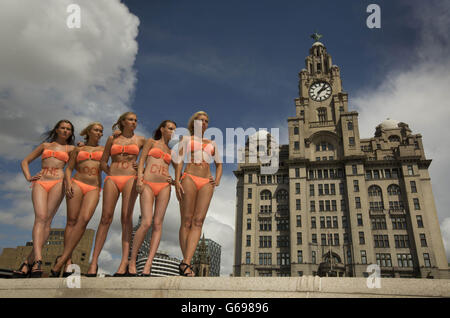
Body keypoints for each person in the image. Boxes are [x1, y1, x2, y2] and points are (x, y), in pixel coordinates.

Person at [13, 120, 75, 278]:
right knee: (40, 217)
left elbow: (81, 161)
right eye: (63, 128)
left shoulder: (72, 149)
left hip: (58, 182)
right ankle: (38, 259)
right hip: (41, 181)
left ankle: (28, 262)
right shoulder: (45, 146)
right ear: (56, 129)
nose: (65, 131)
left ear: (71, 133)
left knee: (47, 220)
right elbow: (25, 161)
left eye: (68, 129)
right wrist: (29, 177)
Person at [86, 112, 145, 277]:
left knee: (126, 218)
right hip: (112, 178)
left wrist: (143, 170)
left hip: (130, 179)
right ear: (123, 122)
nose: (134, 122)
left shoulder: (141, 140)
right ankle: (94, 262)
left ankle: (124, 263)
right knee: (105, 218)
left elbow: (154, 154)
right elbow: (103, 161)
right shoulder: (112, 139)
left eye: (136, 120)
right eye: (131, 119)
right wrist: (109, 171)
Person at [49, 122, 104, 277]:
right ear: (89, 131)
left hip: (94, 187)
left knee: (84, 219)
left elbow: (108, 165)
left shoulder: (103, 149)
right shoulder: (78, 149)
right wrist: (68, 183)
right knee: (71, 221)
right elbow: (69, 168)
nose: (99, 133)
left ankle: (61, 259)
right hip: (77, 183)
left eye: (101, 131)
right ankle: (67, 262)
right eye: (96, 130)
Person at [174, 111, 222, 276]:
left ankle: (186, 262)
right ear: (194, 122)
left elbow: (219, 164)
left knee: (198, 222)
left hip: (206, 182)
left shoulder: (213, 143)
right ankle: (186, 261)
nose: (204, 123)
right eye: (201, 120)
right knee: (186, 221)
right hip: (189, 178)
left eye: (207, 121)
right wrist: (176, 180)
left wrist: (217, 180)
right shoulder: (186, 139)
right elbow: (179, 160)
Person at [128, 120, 176, 276]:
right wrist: (140, 179)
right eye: (170, 128)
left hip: (164, 186)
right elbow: (141, 160)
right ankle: (132, 261)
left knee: (158, 224)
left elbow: (180, 169)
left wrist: (174, 180)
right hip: (148, 183)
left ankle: (148, 265)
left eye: (174, 130)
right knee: (146, 222)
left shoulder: (171, 151)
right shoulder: (150, 142)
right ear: (162, 129)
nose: (172, 132)